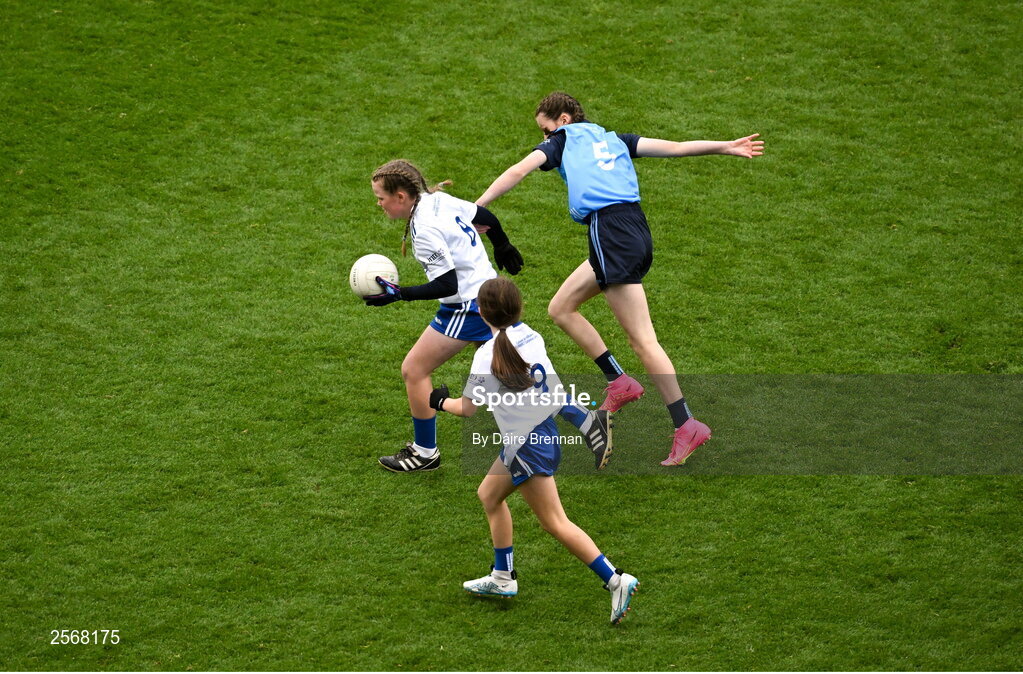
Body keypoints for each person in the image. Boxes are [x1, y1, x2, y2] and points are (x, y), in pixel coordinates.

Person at [476, 92, 764, 466]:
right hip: (633, 231)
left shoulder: (562, 141)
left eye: (546, 130)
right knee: (562, 307)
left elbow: (519, 169)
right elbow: (676, 147)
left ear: (563, 120)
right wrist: (725, 146)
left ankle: (686, 423)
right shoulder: (615, 139)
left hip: (609, 233)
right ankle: (619, 380)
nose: (545, 138)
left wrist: (476, 207)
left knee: (643, 341)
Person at [366, 159, 610, 472]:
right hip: (489, 296)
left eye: (381, 197)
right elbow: (483, 215)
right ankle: (589, 422)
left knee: (414, 370)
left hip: (466, 306)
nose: (379, 203)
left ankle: (424, 451)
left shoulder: (424, 229)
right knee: (514, 369)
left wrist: (399, 294)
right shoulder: (438, 199)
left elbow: (446, 283)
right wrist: (501, 242)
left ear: (401, 196)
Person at [429, 277, 638, 625]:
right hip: (538, 436)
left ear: (481, 312)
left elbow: (467, 409)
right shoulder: (531, 336)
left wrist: (438, 401)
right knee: (489, 495)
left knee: (555, 522)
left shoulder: (486, 355)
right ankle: (502, 577)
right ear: (518, 307)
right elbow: (555, 394)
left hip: (527, 445)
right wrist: (585, 424)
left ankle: (616, 579)